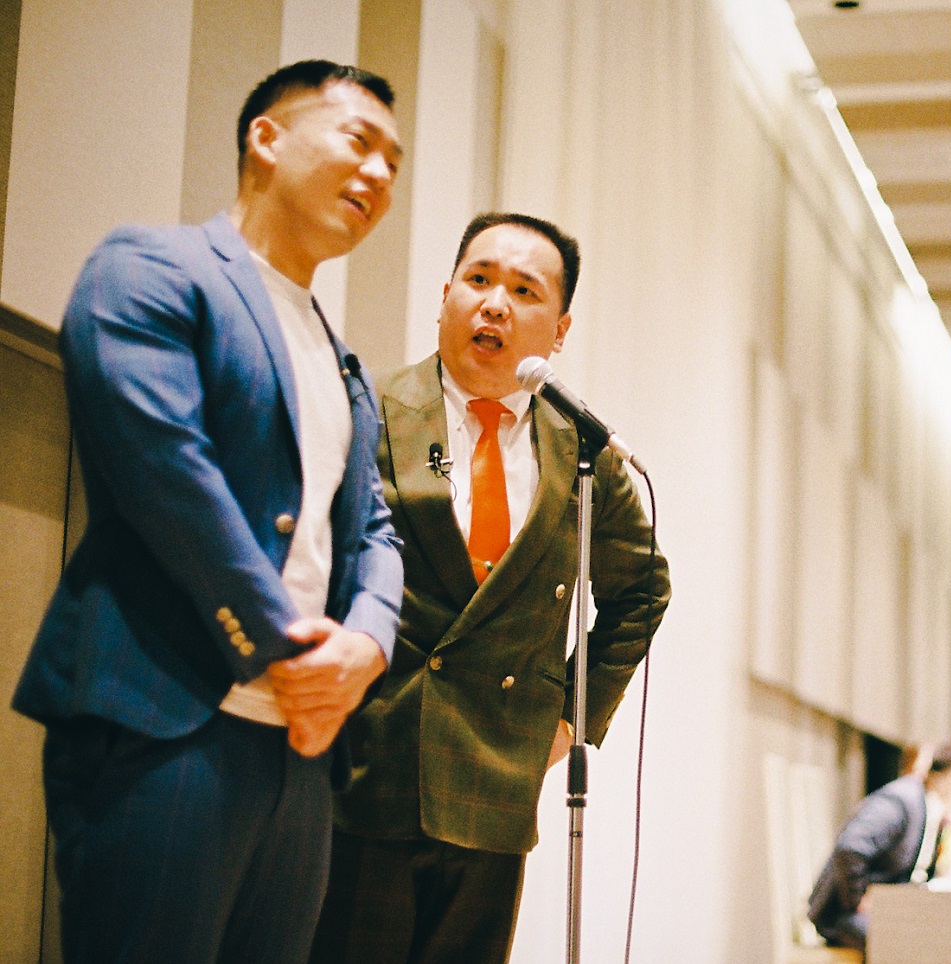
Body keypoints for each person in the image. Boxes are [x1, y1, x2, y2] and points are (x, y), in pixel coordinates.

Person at [10, 60, 405, 963]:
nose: (380, 173)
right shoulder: (151, 268)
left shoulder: (343, 361)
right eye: (359, 141)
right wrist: (297, 658)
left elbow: (373, 527)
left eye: (395, 160)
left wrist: (368, 647)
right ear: (267, 137)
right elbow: (170, 479)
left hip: (301, 756)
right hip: (166, 723)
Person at [308, 211, 671, 964]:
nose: (495, 304)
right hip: (367, 771)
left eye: (524, 290)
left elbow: (641, 590)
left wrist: (573, 719)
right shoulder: (367, 405)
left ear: (559, 330)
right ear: (445, 296)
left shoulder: (583, 450)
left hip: (497, 788)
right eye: (478, 280)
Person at [807, 739, 951, 953]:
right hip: (842, 914)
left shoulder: (930, 807)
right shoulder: (901, 801)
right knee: (910, 945)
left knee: (942, 934)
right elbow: (851, 847)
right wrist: (857, 900)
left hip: (887, 910)